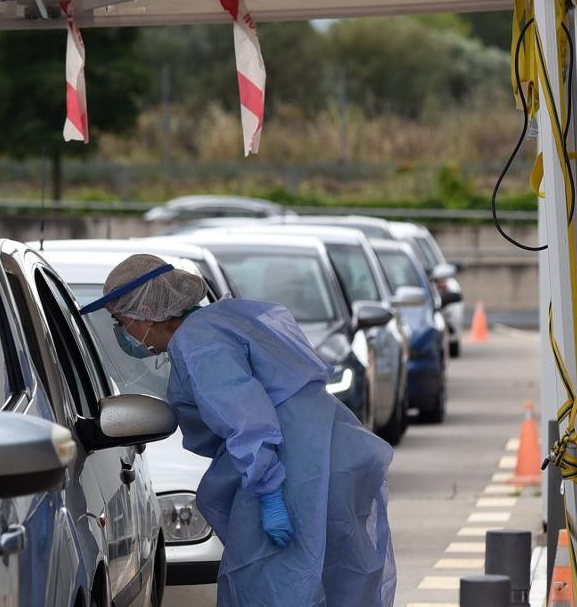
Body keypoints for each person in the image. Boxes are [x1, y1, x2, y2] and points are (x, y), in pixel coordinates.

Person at [83, 254, 395, 607]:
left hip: (292, 474)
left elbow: (245, 417)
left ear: (149, 310)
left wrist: (270, 493)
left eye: (122, 321)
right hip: (325, 455)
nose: (123, 333)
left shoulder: (199, 343)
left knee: (275, 585)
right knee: (334, 578)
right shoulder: (220, 321)